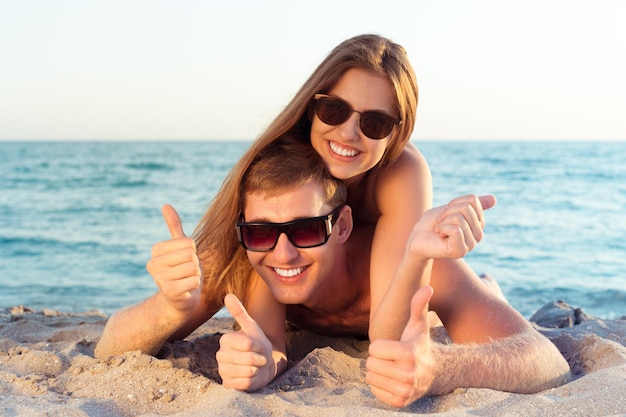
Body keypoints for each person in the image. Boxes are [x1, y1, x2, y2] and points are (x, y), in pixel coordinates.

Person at [95, 139, 571, 407]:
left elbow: (549, 362)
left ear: (342, 224)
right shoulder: (248, 260)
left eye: (304, 229)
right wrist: (172, 306)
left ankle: (490, 286)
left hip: (424, 315)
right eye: (262, 232)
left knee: (484, 297)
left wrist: (441, 368)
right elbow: (109, 346)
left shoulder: (412, 264)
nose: (282, 253)